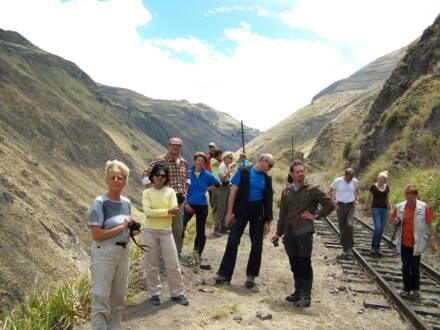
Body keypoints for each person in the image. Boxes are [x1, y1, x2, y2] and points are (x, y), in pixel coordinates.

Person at [272, 160, 334, 307]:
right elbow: (283, 214)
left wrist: (316, 215)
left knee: (305, 262)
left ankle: (306, 296)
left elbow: (330, 204)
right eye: (297, 171)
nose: (301, 174)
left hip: (304, 231)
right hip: (289, 233)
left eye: (302, 171)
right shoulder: (286, 191)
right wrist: (278, 233)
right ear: (292, 174)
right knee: (294, 263)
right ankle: (298, 291)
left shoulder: (312, 189)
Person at [88, 160, 139, 330]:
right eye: (113, 177)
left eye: (120, 178)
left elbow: (125, 228)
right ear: (107, 180)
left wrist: (131, 230)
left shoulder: (126, 202)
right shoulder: (99, 202)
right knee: (101, 295)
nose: (117, 181)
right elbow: (96, 235)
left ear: (125, 181)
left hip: (123, 252)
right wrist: (121, 227)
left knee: (118, 296)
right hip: (104, 252)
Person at [215, 154, 274, 288]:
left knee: (257, 244)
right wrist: (229, 213)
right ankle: (224, 274)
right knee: (232, 241)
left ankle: (251, 276)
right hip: (241, 210)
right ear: (263, 161)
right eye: (270, 165)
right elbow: (233, 191)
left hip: (258, 212)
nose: (270, 168)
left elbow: (268, 200)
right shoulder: (244, 171)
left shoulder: (267, 178)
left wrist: (267, 221)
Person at [143, 164, 189, 306]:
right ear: (152, 177)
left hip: (165, 231)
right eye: (157, 175)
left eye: (163, 176)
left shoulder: (170, 192)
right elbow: (147, 212)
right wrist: (166, 212)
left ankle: (177, 293)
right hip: (149, 231)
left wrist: (160, 212)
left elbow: (174, 211)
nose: (160, 178)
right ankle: (154, 293)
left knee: (173, 263)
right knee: (151, 263)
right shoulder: (147, 193)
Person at [143, 138, 189, 254]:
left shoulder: (184, 162)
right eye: (173, 145)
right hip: (164, 201)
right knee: (162, 230)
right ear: (169, 146)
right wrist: (152, 191)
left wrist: (186, 191)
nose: (175, 147)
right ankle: (160, 257)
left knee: (178, 230)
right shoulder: (160, 160)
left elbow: (188, 178)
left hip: (179, 202)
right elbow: (145, 174)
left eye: (178, 145)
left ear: (181, 147)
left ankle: (176, 255)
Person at [391, 184, 436, 299]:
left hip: (417, 243)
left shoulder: (424, 207)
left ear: (416, 196)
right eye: (408, 198)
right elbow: (393, 218)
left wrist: (432, 239)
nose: (410, 200)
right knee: (406, 266)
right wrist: (395, 220)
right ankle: (406, 289)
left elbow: (430, 223)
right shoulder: (400, 206)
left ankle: (416, 289)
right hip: (404, 242)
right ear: (405, 196)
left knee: (415, 267)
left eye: (412, 198)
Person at [182, 152, 220, 265]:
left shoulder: (207, 175)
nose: (200, 162)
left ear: (204, 164)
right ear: (195, 161)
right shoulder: (187, 173)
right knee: (181, 226)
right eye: (198, 160)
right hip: (188, 204)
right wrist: (185, 204)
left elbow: (217, 183)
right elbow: (183, 189)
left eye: (202, 161)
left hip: (202, 206)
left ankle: (196, 254)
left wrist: (207, 188)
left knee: (200, 231)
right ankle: (177, 251)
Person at [328, 168, 360, 259]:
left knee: (349, 225)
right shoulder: (337, 181)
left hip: (350, 206)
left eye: (351, 178)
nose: (349, 180)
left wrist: (356, 199)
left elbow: (357, 190)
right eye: (348, 178)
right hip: (340, 206)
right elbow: (328, 192)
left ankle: (350, 246)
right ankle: (345, 249)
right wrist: (334, 203)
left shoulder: (354, 181)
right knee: (342, 227)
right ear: (345, 175)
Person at [364, 171, 392, 256]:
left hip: (384, 210)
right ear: (378, 178)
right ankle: (373, 247)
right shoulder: (373, 186)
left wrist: (391, 209)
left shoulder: (387, 187)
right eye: (381, 179)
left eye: (384, 180)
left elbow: (388, 199)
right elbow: (369, 197)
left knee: (381, 230)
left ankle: (377, 248)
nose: (383, 181)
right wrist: (366, 207)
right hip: (375, 209)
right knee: (378, 228)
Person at [214, 151, 234, 236]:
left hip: (227, 187)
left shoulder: (227, 165)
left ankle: (223, 227)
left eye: (232, 158)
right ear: (225, 158)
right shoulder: (222, 166)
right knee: (221, 208)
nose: (231, 159)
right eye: (230, 157)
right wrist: (229, 172)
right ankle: (216, 228)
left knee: (226, 208)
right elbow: (221, 177)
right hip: (222, 188)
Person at [209, 149, 223, 223]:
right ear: (217, 155)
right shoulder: (213, 160)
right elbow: (218, 164)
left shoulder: (218, 160)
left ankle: (219, 220)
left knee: (220, 202)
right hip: (215, 182)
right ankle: (215, 221)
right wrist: (222, 160)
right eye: (220, 155)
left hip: (219, 182)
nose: (221, 156)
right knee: (215, 202)